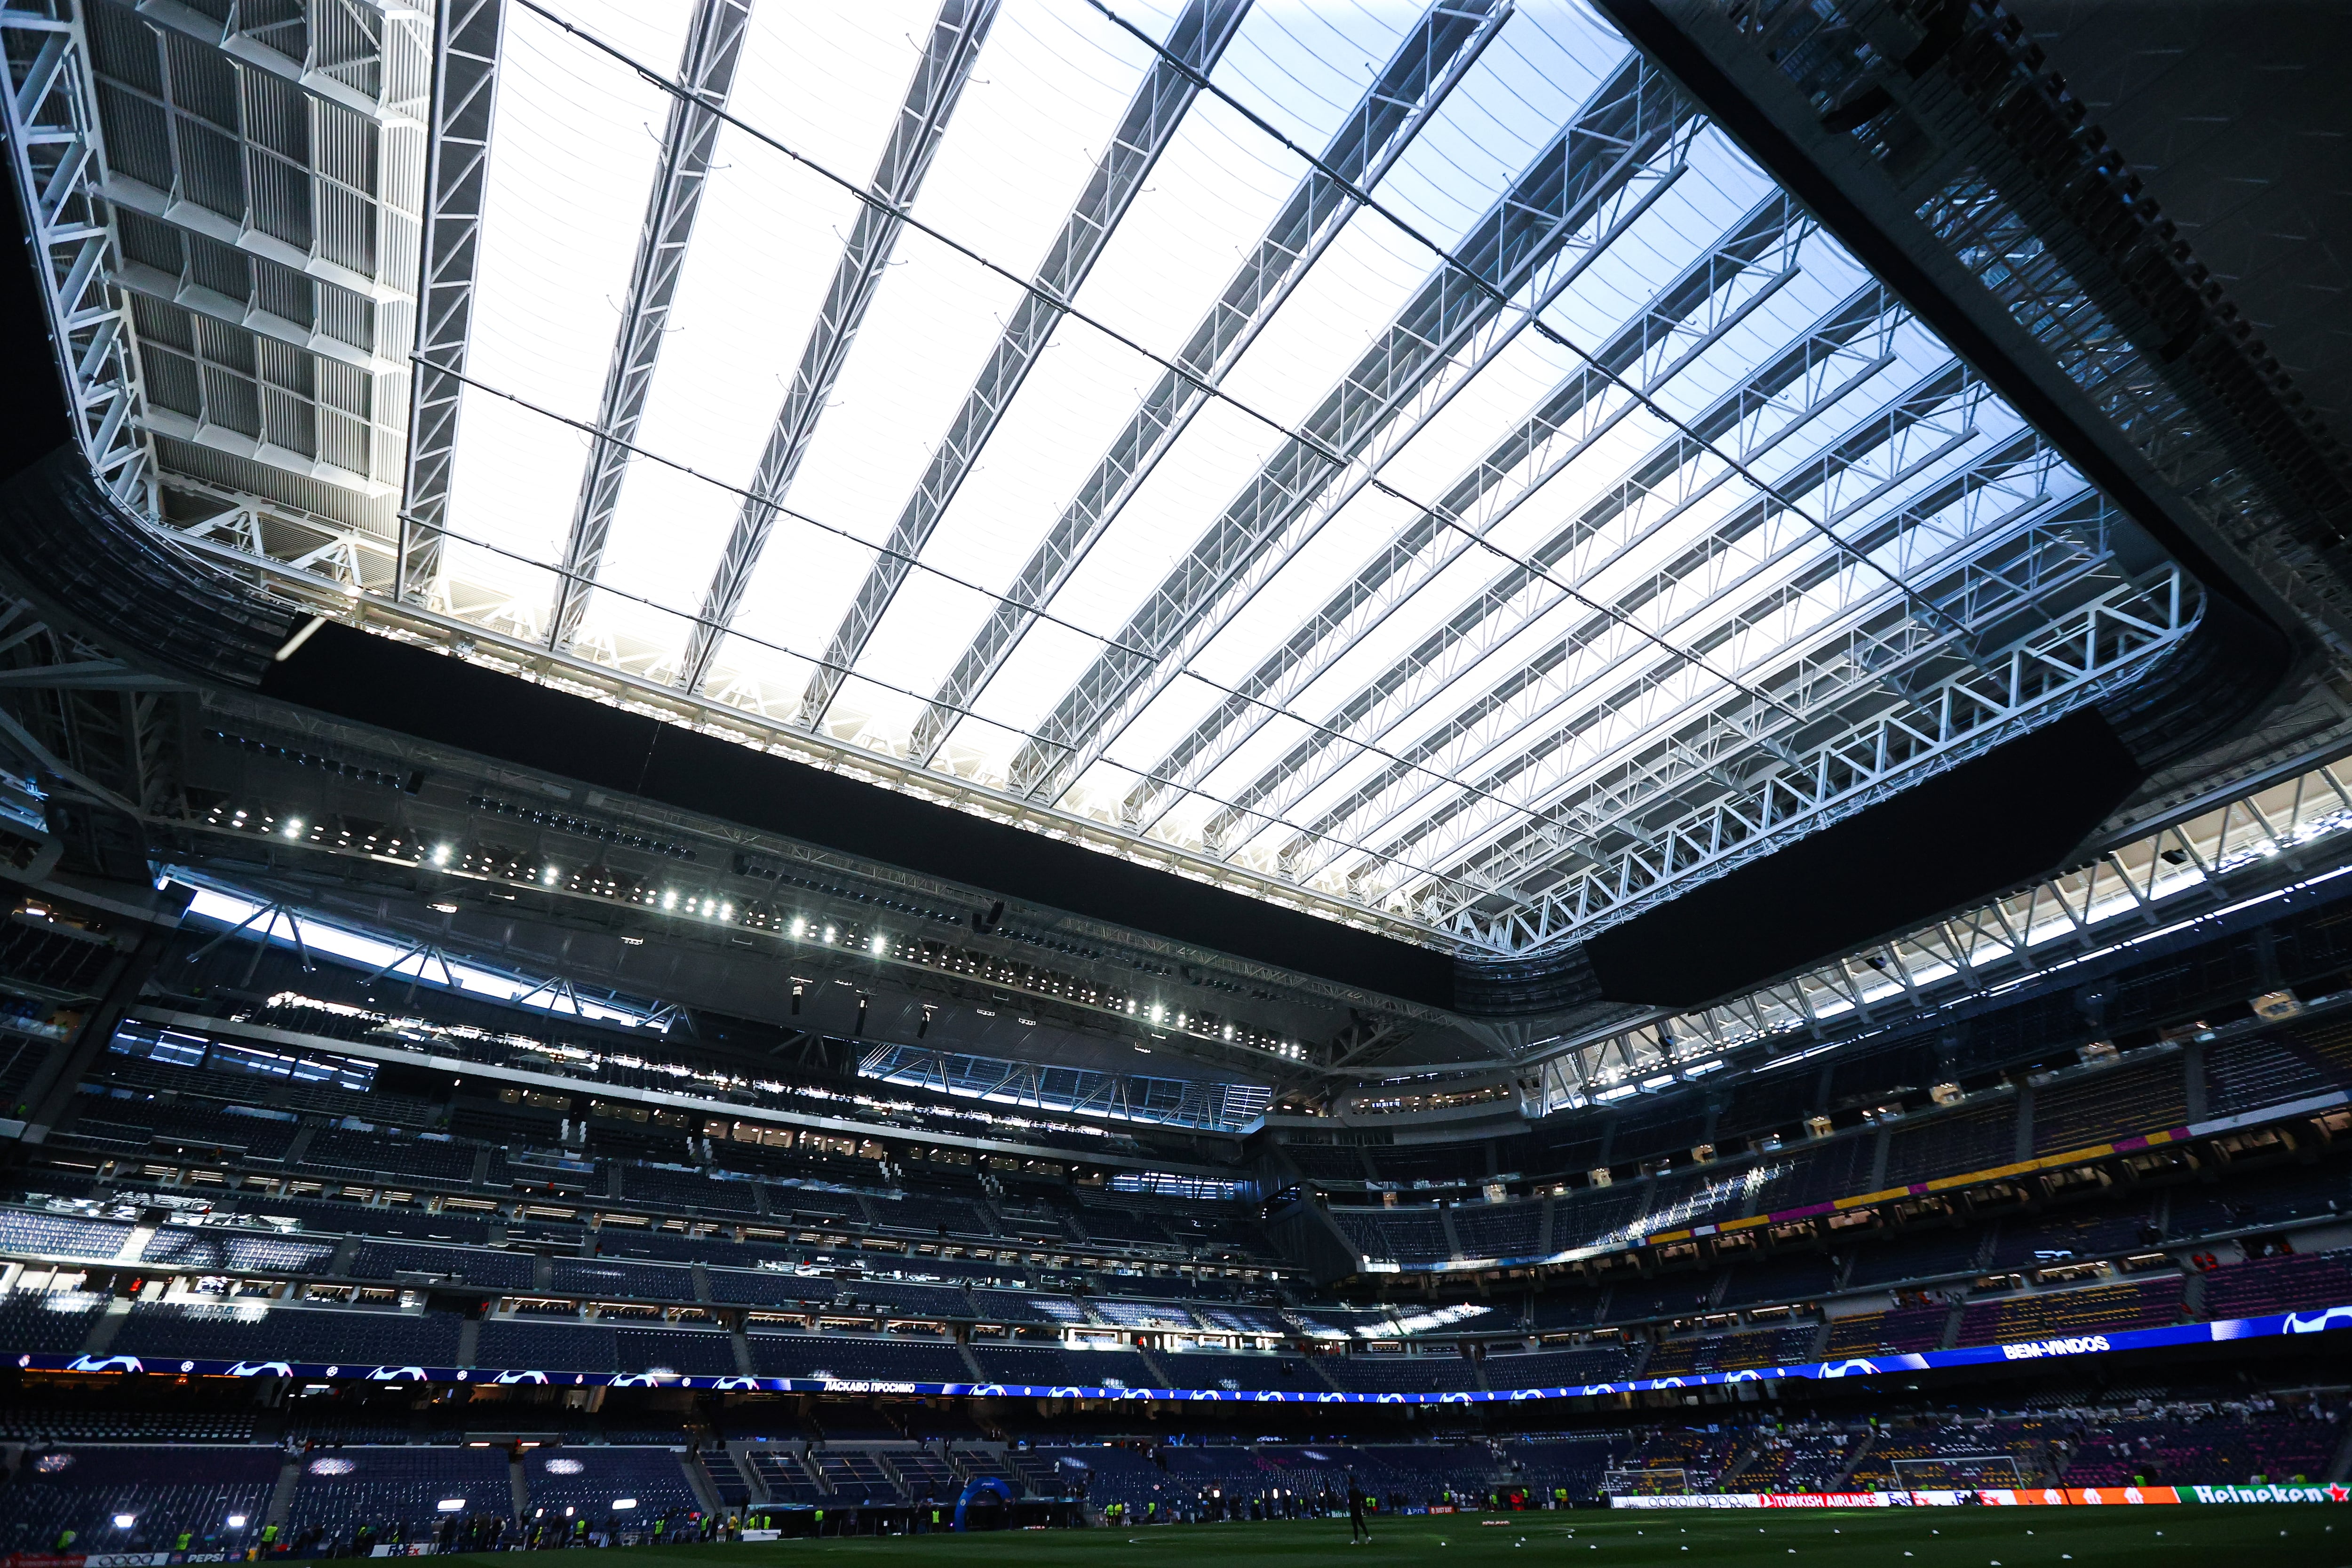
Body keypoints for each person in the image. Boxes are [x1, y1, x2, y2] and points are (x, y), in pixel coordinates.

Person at [1347, 1472, 1369, 1545]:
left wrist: (1349, 1506)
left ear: (1351, 1481)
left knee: (1355, 1524)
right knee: (1361, 1523)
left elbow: (1351, 1500)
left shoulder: (1351, 1490)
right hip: (1358, 1507)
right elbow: (1363, 1497)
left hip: (1354, 1508)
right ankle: (1368, 1537)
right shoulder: (1357, 1489)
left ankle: (1356, 1540)